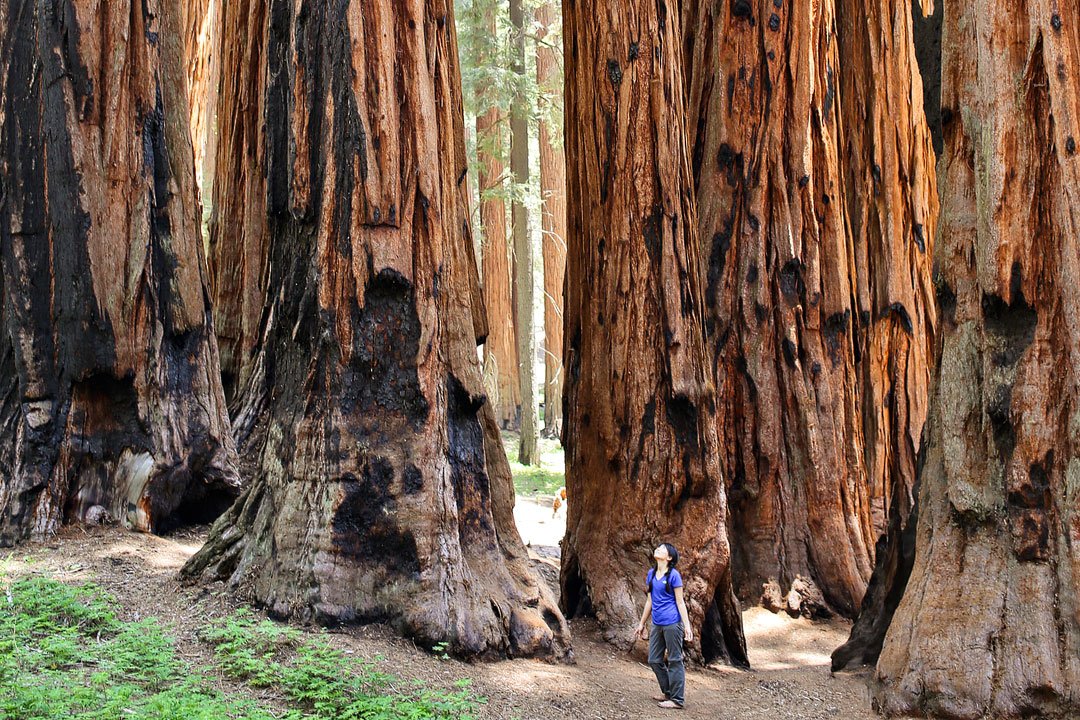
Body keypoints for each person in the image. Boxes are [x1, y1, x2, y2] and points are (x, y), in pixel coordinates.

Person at [634, 543, 692, 710]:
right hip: (657, 624)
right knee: (654, 659)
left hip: (673, 623)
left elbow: (680, 602)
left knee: (675, 660)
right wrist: (641, 623)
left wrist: (687, 626)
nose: (658, 549)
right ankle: (668, 692)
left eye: (662, 548)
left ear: (669, 557)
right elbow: (650, 601)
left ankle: (677, 699)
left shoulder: (674, 575)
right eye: (658, 547)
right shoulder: (651, 574)